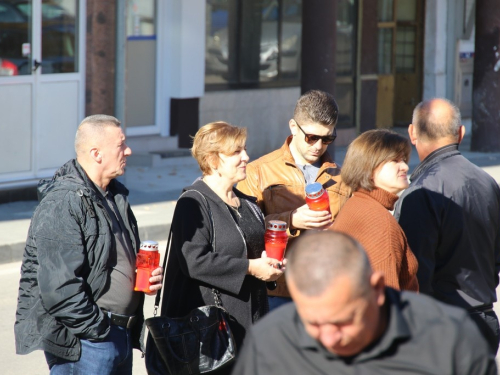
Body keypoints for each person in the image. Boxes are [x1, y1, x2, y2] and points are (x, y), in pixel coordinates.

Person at [14, 115, 163, 374]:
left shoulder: (114, 195)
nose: (128, 150)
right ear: (96, 153)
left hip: (119, 335)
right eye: (121, 144)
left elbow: (107, 261)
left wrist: (140, 280)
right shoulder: (65, 201)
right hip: (88, 344)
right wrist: (98, 332)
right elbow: (59, 287)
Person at [232, 231, 497, 375]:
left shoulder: (450, 338)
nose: (329, 338)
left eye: (343, 320)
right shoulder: (271, 342)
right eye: (311, 322)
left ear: (377, 289)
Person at [160, 122, 284, 374]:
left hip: (252, 325)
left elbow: (254, 256)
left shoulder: (248, 203)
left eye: (245, 149)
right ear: (213, 161)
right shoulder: (193, 203)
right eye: (236, 152)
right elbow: (194, 261)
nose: (246, 157)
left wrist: (270, 268)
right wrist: (250, 268)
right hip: (210, 333)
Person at [394, 98, 500, 354]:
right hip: (483, 322)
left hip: (441, 328)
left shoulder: (420, 192)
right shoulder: (488, 182)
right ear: (461, 134)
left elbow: (414, 274)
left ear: (412, 133)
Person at [237, 90, 351, 310]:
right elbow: (242, 233)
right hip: (277, 291)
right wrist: (291, 221)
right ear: (293, 127)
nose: (318, 145)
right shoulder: (258, 172)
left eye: (328, 138)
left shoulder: (343, 178)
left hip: (327, 290)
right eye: (311, 137)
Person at [332, 129, 418, 291]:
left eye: (404, 159)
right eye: (395, 160)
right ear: (369, 168)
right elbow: (385, 300)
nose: (405, 166)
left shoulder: (357, 204)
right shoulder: (378, 222)